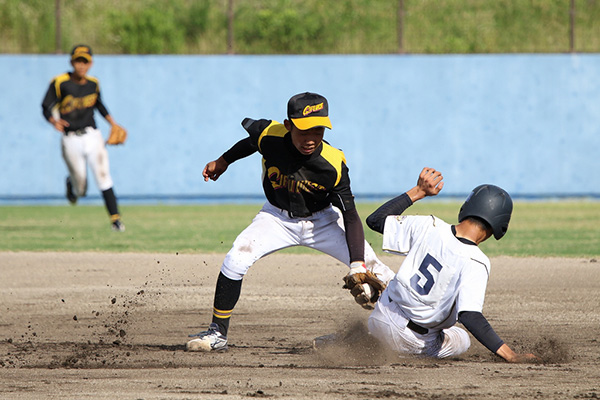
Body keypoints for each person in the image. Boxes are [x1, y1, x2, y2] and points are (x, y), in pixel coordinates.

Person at [186, 92, 395, 351]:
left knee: (382, 273)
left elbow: (350, 215)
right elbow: (252, 142)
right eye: (303, 131)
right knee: (236, 258)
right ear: (288, 126)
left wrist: (357, 265)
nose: (311, 139)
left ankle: (409, 332)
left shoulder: (333, 163)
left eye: (317, 130)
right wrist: (223, 161)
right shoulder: (269, 134)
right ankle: (217, 333)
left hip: (322, 223)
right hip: (275, 217)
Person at [362, 167, 538, 362]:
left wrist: (418, 191)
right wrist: (510, 355)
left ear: (467, 208)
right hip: (410, 341)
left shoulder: (430, 226)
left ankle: (363, 341)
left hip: (381, 317)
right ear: (499, 227)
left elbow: (375, 220)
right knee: (461, 338)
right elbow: (470, 316)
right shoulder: (477, 262)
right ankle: (393, 347)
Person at [41, 44, 126, 232]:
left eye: (85, 61)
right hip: (70, 138)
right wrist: (53, 121)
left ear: (90, 63)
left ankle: (116, 220)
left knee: (103, 176)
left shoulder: (93, 84)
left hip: (92, 135)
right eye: (78, 61)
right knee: (81, 189)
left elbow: (99, 104)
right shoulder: (60, 82)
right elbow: (45, 106)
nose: (81, 65)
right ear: (72, 62)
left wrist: (113, 123)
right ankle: (72, 183)